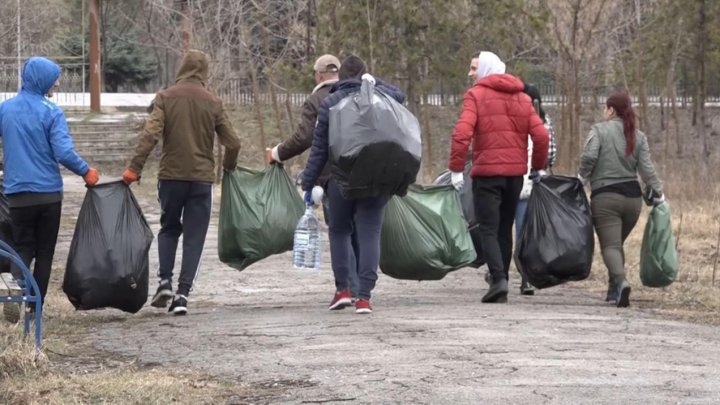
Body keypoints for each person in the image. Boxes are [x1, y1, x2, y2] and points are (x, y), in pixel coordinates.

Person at [122, 49, 241, 316]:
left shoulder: (165, 97)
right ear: (204, 72)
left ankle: (164, 280)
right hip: (201, 181)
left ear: (182, 68)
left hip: (170, 177)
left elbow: (151, 134)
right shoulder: (213, 102)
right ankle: (182, 295)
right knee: (195, 238)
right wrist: (228, 169)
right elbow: (233, 143)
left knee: (169, 228)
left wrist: (134, 168)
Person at [302, 55, 406, 314]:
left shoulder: (330, 103)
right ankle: (365, 298)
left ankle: (343, 290)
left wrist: (308, 181)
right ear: (364, 75)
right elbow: (401, 96)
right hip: (375, 177)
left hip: (341, 178)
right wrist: (376, 83)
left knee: (339, 230)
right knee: (370, 232)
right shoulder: (378, 97)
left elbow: (319, 149)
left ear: (341, 77)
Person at [0, 56, 99, 322]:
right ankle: (35, 308)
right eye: (55, 78)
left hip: (16, 195)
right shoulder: (51, 111)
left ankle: (16, 292)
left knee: (22, 247)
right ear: (43, 79)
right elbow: (64, 152)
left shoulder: (5, 109)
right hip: (48, 195)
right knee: (45, 252)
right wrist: (86, 171)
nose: (57, 83)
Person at [448, 51, 549, 304]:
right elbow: (541, 135)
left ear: (486, 70)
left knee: (488, 229)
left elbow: (462, 133)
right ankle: (500, 279)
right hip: (515, 175)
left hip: (487, 174)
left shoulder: (476, 96)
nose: (470, 74)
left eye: (474, 69)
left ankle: (499, 279)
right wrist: (536, 166)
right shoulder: (523, 99)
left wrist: (456, 169)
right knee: (505, 228)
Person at [266, 54, 360, 298]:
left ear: (318, 75)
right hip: (363, 172)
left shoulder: (317, 99)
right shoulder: (356, 93)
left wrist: (277, 153)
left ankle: (347, 288)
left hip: (332, 176)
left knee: (341, 230)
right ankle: (362, 289)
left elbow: (305, 138)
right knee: (360, 230)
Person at [578, 91, 664, 308]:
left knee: (610, 246)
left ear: (611, 110)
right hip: (633, 201)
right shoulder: (638, 136)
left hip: (606, 198)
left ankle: (622, 283)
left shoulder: (599, 130)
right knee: (616, 245)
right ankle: (612, 289)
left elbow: (589, 157)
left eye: (605, 107)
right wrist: (659, 193)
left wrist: (581, 178)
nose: (603, 111)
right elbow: (647, 169)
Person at [514, 83, 558, 295]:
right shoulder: (545, 122)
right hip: (534, 184)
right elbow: (551, 155)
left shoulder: (513, 118)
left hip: (511, 179)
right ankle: (526, 278)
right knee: (527, 233)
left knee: (502, 230)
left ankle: (498, 272)